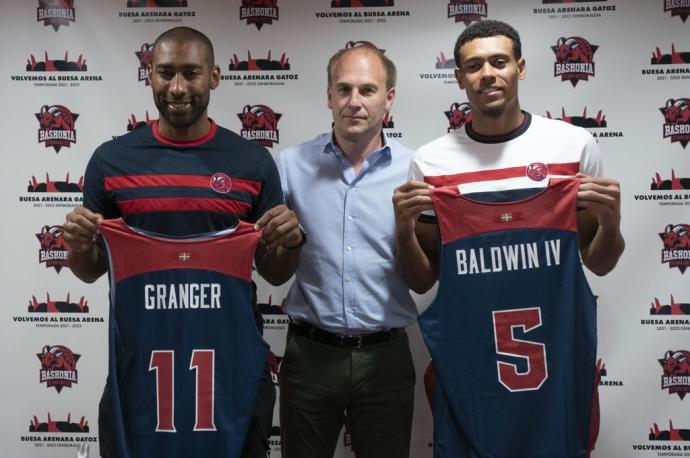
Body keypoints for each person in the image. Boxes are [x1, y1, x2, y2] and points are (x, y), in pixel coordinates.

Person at [62, 26, 303, 458]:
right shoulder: (111, 160)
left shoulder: (251, 161)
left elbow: (274, 270)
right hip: (141, 368)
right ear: (149, 76)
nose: (177, 88)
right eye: (165, 73)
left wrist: (288, 242)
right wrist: (80, 244)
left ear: (213, 77)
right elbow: (91, 268)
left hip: (229, 366)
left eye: (190, 73)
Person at [393, 20, 624, 457]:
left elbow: (599, 263)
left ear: (520, 67)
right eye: (473, 65)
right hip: (473, 375)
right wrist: (404, 231)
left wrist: (611, 223)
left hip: (555, 378)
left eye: (499, 62)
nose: (487, 74)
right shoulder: (431, 162)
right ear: (460, 77)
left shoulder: (573, 147)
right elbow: (422, 280)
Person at [275, 44, 417, 458]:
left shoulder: (414, 171)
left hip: (385, 357)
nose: (354, 102)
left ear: (389, 97)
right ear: (329, 96)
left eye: (368, 90)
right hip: (309, 357)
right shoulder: (290, 166)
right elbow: (273, 268)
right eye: (344, 89)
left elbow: (427, 269)